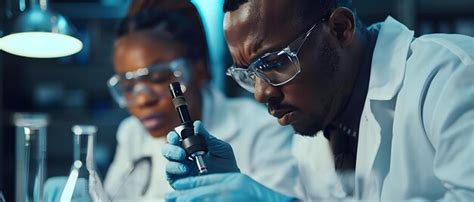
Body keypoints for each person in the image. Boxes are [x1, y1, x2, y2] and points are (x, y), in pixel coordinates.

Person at [162, 0, 474, 201]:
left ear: (340, 28)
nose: (261, 93)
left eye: (274, 63)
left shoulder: (450, 77)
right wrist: (228, 181)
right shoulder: (313, 124)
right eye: (248, 75)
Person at [43, 1, 300, 201]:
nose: (142, 99)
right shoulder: (132, 134)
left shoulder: (261, 128)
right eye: (128, 86)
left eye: (157, 77)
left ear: (199, 70)